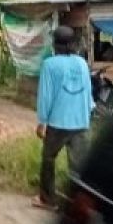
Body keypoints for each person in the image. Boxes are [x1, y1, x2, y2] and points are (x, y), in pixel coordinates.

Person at [34, 25, 94, 210]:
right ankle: (79, 204)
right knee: (78, 166)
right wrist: (89, 109)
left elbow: (46, 95)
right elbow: (88, 91)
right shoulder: (82, 63)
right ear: (73, 44)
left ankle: (48, 199)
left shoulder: (49, 64)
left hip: (58, 122)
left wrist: (42, 121)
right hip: (81, 120)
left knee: (49, 158)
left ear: (55, 44)